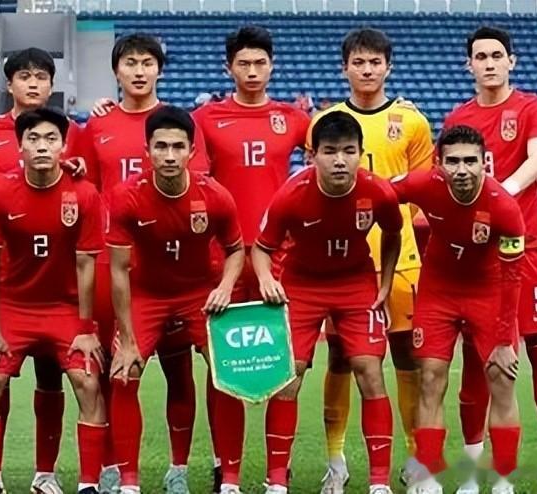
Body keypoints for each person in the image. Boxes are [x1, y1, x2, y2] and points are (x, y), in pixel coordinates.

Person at [76, 33, 211, 494]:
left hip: (170, 269)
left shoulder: (178, 124)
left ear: (159, 70)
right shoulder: (96, 125)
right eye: (130, 62)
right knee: (114, 368)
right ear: (116, 70)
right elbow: (85, 191)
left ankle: (178, 468)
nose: (139, 71)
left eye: (147, 62)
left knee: (179, 370)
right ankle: (113, 467)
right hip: (113, 265)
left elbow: (197, 189)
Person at [306, 28, 434, 491]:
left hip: (400, 261)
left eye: (375, 62)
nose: (366, 70)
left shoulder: (412, 122)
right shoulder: (324, 121)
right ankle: (336, 459)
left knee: (406, 358)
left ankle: (416, 459)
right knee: (341, 357)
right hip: (342, 263)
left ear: (388, 67)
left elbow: (423, 194)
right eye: (358, 62)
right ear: (344, 67)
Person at [443, 26, 537, 494]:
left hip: (528, 248)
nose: (490, 63)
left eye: (497, 55)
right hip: (479, 258)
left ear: (511, 61)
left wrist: (494, 197)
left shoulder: (535, 108)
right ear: (468, 65)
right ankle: (476, 471)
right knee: (478, 362)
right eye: (481, 56)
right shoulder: (459, 117)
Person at [253, 110, 402, 494]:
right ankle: (276, 481)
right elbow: (261, 248)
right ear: (313, 155)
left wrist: (385, 283)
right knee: (289, 377)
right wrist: (267, 279)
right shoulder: (292, 193)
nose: (340, 160)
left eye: (349, 151)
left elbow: (393, 233)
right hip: (302, 285)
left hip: (355, 283)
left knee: (370, 372)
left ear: (360, 154)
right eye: (330, 151)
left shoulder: (378, 192)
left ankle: (379, 483)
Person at [190, 25, 311, 491]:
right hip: (222, 259)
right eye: (244, 63)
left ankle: (278, 473)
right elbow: (197, 185)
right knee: (224, 367)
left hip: (277, 259)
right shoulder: (205, 119)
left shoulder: (294, 119)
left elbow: (331, 156)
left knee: (284, 364)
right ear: (229, 68)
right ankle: (228, 471)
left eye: (260, 63)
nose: (253, 71)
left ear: (272, 66)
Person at [106, 105, 245, 494]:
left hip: (199, 293)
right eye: (161, 146)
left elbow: (236, 250)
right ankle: (129, 483)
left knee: (228, 372)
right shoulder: (126, 197)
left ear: (192, 151)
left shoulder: (214, 196)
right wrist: (126, 338)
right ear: (147, 151)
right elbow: (118, 270)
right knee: (123, 374)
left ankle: (230, 480)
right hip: (147, 295)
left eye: (178, 147)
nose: (169, 155)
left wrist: (225, 287)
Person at [0, 108, 106, 494]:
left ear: (64, 146)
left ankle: (85, 484)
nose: (42, 146)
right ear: (20, 146)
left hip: (64, 308)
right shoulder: (0, 190)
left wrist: (86, 329)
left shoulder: (84, 193)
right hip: (14, 307)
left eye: (50, 139)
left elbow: (86, 265)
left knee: (87, 382)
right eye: (33, 139)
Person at [391, 125, 525, 494]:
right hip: (438, 292)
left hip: (489, 293)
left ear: (485, 163)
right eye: (453, 161)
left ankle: (503, 478)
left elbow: (513, 278)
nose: (462, 170)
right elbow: (380, 192)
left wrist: (504, 340)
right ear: (439, 163)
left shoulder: (504, 207)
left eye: (470, 161)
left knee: (502, 379)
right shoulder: (424, 185)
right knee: (430, 379)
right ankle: (427, 475)